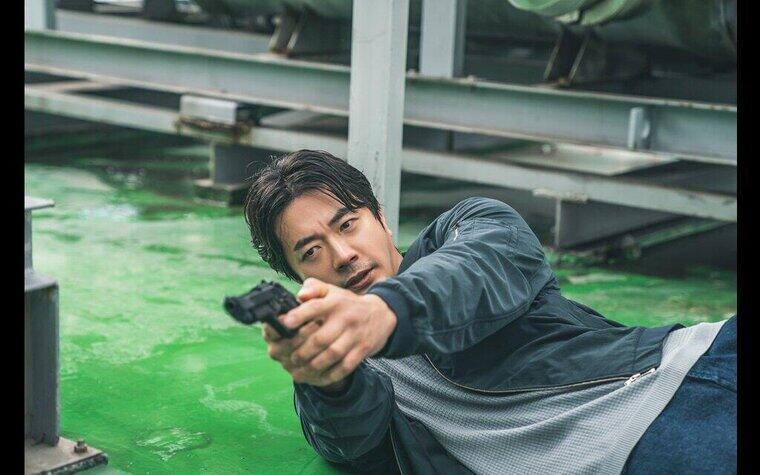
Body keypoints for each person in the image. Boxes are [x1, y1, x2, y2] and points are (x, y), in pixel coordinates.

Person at [243, 149, 736, 474]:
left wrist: (385, 312)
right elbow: (351, 442)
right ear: (298, 277)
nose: (343, 254)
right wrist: (327, 378)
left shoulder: (468, 228)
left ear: (382, 219)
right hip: (629, 456)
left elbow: (485, 264)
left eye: (348, 224)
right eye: (311, 251)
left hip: (692, 373)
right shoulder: (336, 375)